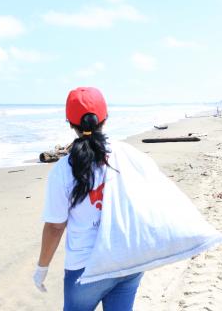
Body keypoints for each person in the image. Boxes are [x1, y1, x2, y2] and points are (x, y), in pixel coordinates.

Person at [33, 87, 143, 311]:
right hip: (129, 261)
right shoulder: (127, 153)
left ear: (70, 123)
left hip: (86, 270)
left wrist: (42, 267)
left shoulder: (64, 169)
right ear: (105, 118)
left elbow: (55, 226)